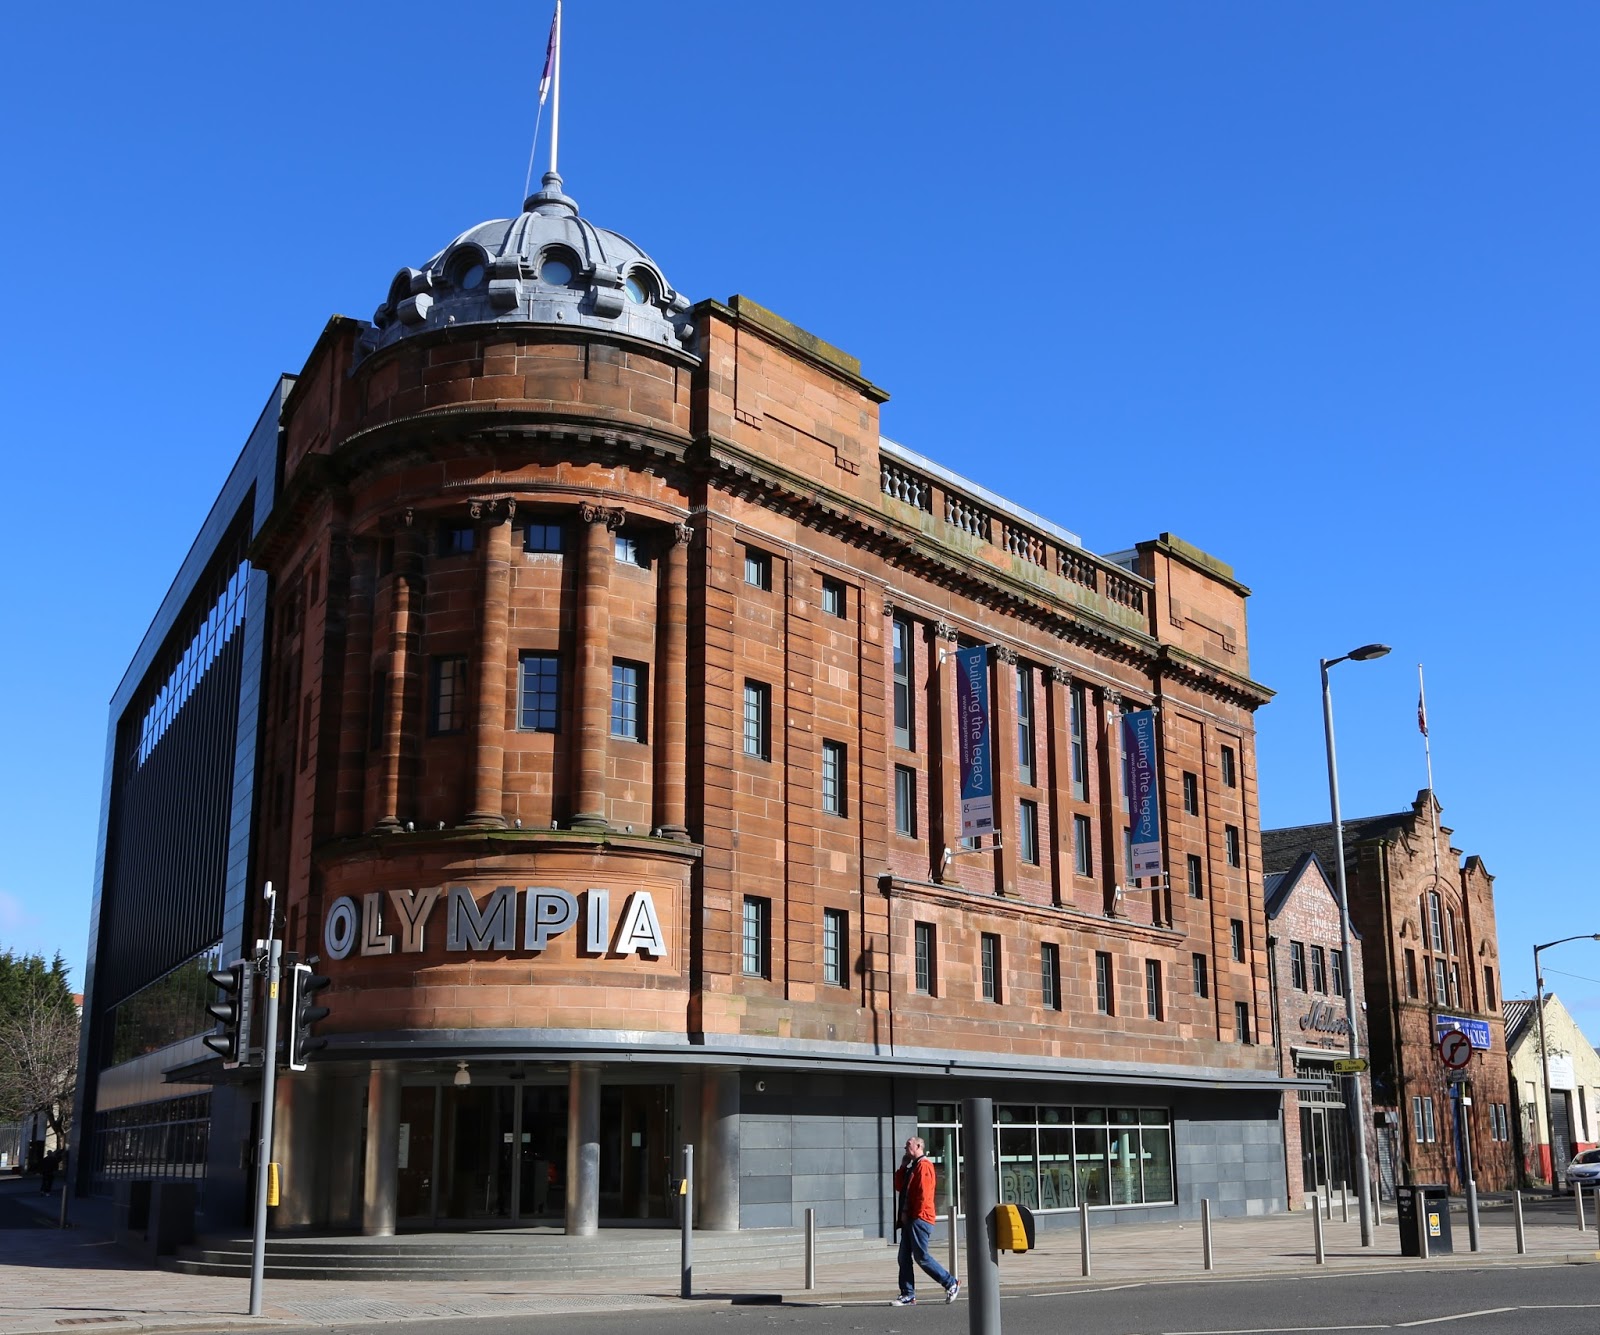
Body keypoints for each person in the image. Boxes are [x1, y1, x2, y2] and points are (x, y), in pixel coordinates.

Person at [891, 1136, 959, 1306]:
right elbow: (899, 1186)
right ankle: (907, 1294)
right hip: (910, 1220)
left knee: (921, 1256)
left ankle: (950, 1282)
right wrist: (902, 1167)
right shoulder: (913, 1167)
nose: (905, 1148)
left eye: (908, 1145)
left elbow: (924, 1195)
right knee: (903, 1257)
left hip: (919, 1219)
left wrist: (914, 1216)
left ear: (919, 1145)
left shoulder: (924, 1166)